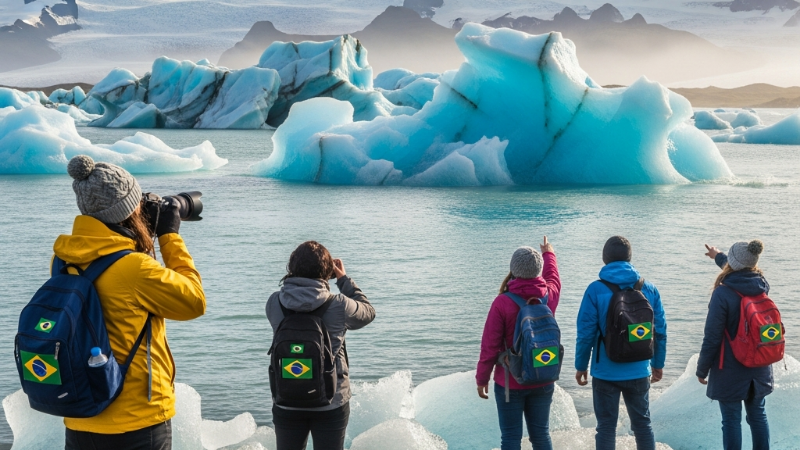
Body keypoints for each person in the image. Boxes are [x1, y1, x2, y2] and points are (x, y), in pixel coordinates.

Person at [59, 155, 206, 450]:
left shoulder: (63, 259)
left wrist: (136, 234)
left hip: (80, 415)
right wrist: (169, 237)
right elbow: (194, 301)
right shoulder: (134, 268)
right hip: (137, 420)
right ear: (130, 211)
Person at [266, 241, 376, 450]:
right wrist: (343, 280)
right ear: (327, 271)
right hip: (331, 400)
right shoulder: (340, 305)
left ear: (291, 268)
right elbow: (368, 312)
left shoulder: (274, 302)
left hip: (286, 398)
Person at [574, 236, 667, 450]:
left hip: (605, 372)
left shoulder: (595, 290)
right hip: (639, 369)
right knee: (643, 424)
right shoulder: (649, 289)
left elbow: (585, 333)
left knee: (606, 427)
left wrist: (581, 366)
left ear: (604, 259)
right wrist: (658, 364)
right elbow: (660, 331)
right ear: (630, 258)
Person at [476, 237, 562, 450]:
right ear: (538, 270)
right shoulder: (549, 295)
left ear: (513, 269)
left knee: (511, 438)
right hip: (543, 374)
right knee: (541, 435)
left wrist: (482, 378)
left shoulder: (502, 302)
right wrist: (549, 254)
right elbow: (553, 277)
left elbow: (490, 346)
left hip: (510, 381)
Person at [697, 241, 772, 450]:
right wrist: (717, 255)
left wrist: (702, 369)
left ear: (734, 263)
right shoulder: (761, 285)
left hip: (730, 369)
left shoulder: (723, 293)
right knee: (758, 416)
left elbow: (712, 337)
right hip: (759, 366)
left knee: (730, 421)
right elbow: (737, 269)